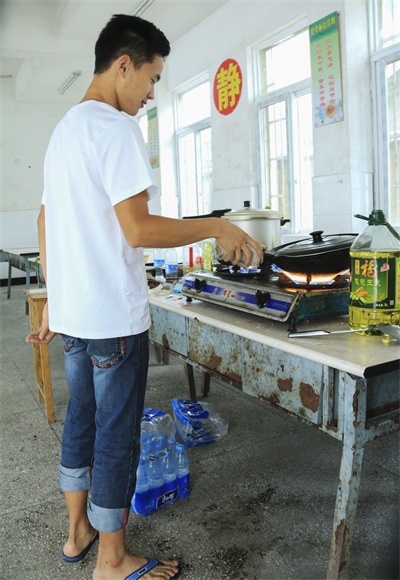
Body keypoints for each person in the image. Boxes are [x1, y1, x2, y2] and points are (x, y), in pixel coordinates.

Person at [26, 13, 262, 580]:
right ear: (124, 65)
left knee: (82, 421)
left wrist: (57, 298)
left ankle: (78, 533)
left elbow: (43, 221)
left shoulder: (64, 131)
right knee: (116, 435)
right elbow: (137, 229)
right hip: (111, 316)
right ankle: (112, 560)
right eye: (152, 79)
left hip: (76, 316)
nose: (152, 94)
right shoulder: (114, 128)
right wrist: (215, 226)